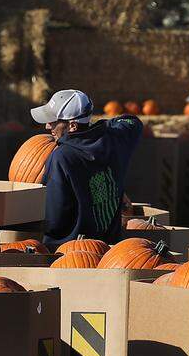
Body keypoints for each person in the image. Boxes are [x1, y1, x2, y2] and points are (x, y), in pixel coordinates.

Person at [30, 89, 143, 249]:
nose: (48, 126)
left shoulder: (61, 157)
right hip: (110, 250)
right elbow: (133, 122)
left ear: (73, 126)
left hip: (68, 252)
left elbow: (53, 220)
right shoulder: (115, 139)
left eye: (54, 121)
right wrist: (101, 128)